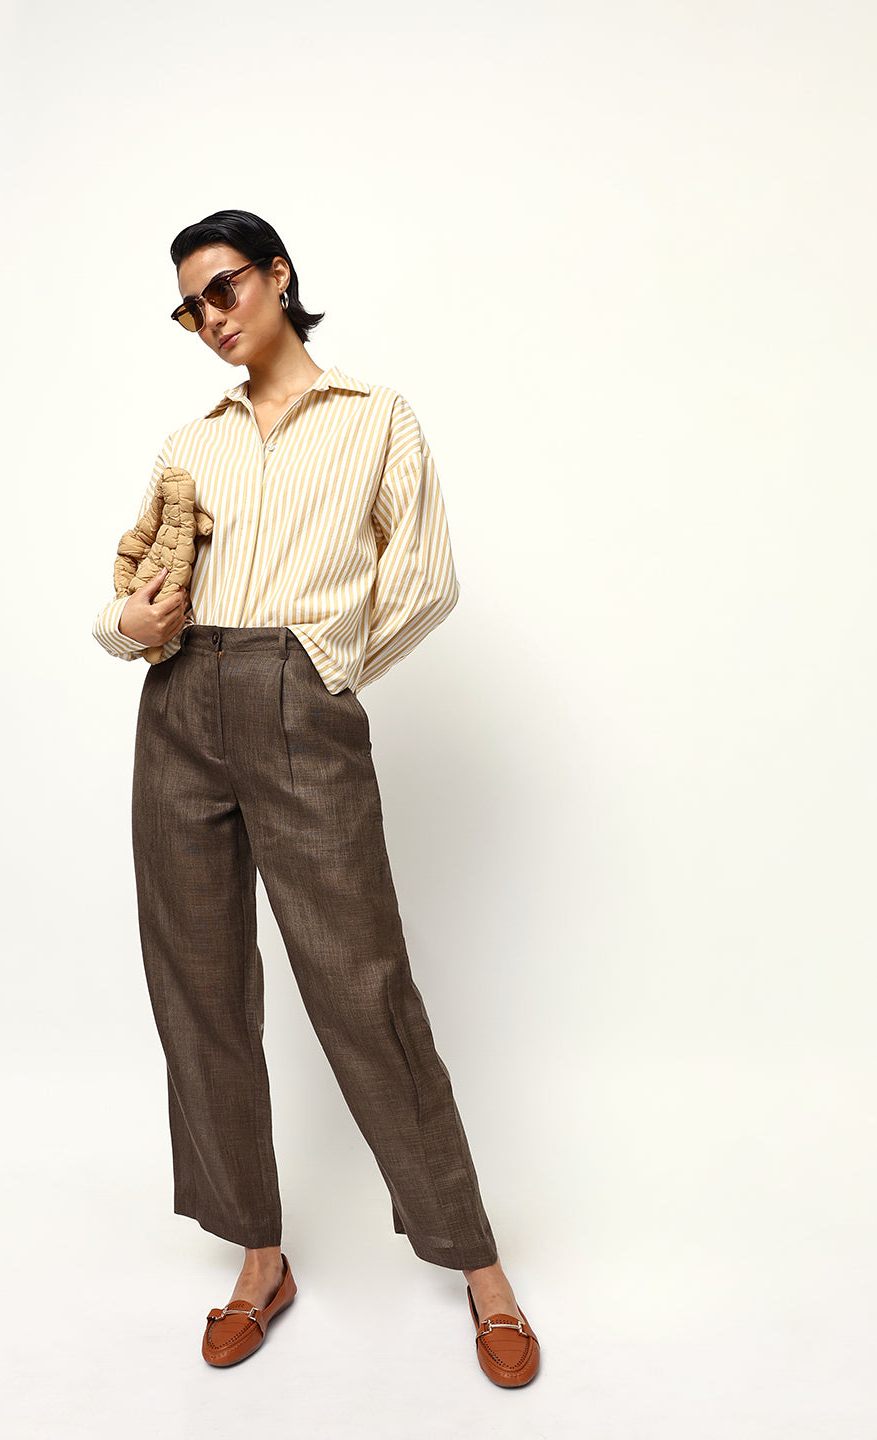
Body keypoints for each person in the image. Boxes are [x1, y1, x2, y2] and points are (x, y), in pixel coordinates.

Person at [91, 209, 541, 1388]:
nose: (210, 318)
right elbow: (135, 588)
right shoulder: (190, 443)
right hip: (177, 708)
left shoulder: (374, 416)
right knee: (199, 990)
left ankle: (478, 1263)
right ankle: (260, 1257)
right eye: (189, 307)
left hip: (299, 702)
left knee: (362, 984)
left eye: (224, 288)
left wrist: (321, 669)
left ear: (279, 276)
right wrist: (125, 624)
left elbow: (425, 577)